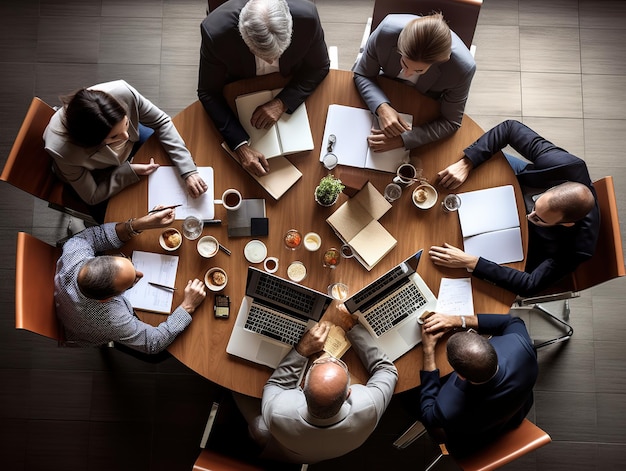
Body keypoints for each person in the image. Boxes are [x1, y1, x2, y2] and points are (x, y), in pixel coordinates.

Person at [430, 120, 599, 296]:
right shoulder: (566, 165)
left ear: (567, 224)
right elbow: (510, 128)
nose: (529, 214)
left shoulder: (579, 248)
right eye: (536, 203)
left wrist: (471, 262)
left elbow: (530, 285)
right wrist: (467, 164)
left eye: (538, 219)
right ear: (553, 188)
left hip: (523, 241)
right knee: (453, 161)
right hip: (518, 185)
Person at [246, 308, 398, 464]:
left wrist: (302, 350)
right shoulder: (368, 406)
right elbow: (387, 370)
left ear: (302, 384)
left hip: (287, 448)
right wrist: (354, 329)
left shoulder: (278, 412)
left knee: (257, 423)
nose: (330, 359)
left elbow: (276, 384)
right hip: (329, 453)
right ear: (348, 393)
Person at [198, 0, 330, 176]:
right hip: (240, 89)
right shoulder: (216, 34)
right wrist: (240, 146)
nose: (270, 61)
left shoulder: (307, 18)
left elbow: (319, 66)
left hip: (290, 84)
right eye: (261, 54)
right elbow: (208, 92)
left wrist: (282, 102)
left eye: (277, 54)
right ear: (242, 34)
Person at [44, 80, 208, 220]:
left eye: (127, 123)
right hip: (95, 173)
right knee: (124, 219)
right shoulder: (63, 151)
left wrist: (188, 171)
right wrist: (129, 171)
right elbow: (92, 196)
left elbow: (162, 122)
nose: (126, 136)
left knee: (177, 155)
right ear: (93, 141)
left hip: (116, 154)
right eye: (114, 137)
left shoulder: (123, 92)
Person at [54, 206, 207, 354]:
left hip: (65, 300)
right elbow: (153, 343)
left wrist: (140, 224)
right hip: (85, 331)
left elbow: (95, 236)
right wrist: (188, 306)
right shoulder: (112, 319)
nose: (140, 274)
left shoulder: (75, 248)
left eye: (127, 261)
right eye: (130, 284)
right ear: (106, 299)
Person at [418, 312, 538, 457]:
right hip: (515, 414)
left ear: (460, 376)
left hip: (477, 446)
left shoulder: (448, 407)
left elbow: (427, 414)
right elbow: (513, 321)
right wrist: (458, 320)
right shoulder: (521, 348)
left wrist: (428, 351)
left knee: (408, 398)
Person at [353, 13, 476, 153]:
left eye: (418, 70)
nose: (407, 73)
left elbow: (451, 122)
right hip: (382, 87)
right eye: (404, 63)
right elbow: (362, 73)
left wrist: (404, 139)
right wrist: (382, 108)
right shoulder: (386, 32)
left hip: (423, 106)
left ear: (440, 61)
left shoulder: (463, 70)